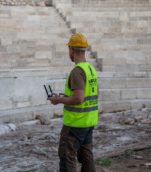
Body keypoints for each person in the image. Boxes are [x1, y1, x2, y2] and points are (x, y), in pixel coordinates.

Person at [48, 33, 98, 172]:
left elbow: (78, 99)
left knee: (67, 157)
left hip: (75, 123)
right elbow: (93, 94)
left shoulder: (77, 71)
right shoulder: (90, 70)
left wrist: (58, 100)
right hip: (89, 121)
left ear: (71, 50)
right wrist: (65, 96)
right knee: (87, 157)